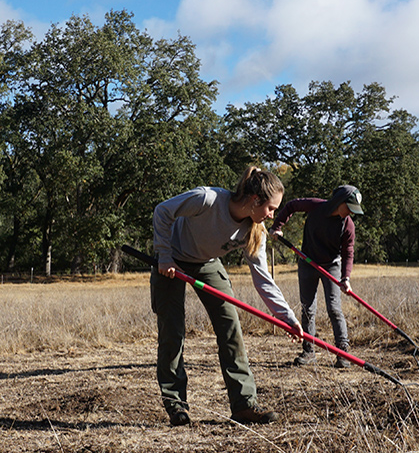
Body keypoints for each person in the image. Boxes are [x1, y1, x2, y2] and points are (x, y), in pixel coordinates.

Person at [150, 166, 301, 427]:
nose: (272, 214)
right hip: (172, 259)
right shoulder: (207, 199)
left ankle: (244, 405)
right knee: (172, 330)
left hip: (207, 263)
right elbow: (163, 211)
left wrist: (286, 317)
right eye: (271, 208)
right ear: (255, 201)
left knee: (230, 327)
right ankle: (176, 406)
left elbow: (263, 278)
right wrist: (163, 254)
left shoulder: (255, 231)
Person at [269, 185, 363, 369]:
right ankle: (308, 351)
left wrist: (346, 278)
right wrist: (277, 226)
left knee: (334, 309)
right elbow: (291, 206)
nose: (350, 213)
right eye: (349, 208)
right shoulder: (316, 206)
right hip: (307, 262)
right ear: (339, 202)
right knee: (307, 309)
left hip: (331, 266)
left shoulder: (348, 224)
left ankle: (343, 353)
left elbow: (348, 252)